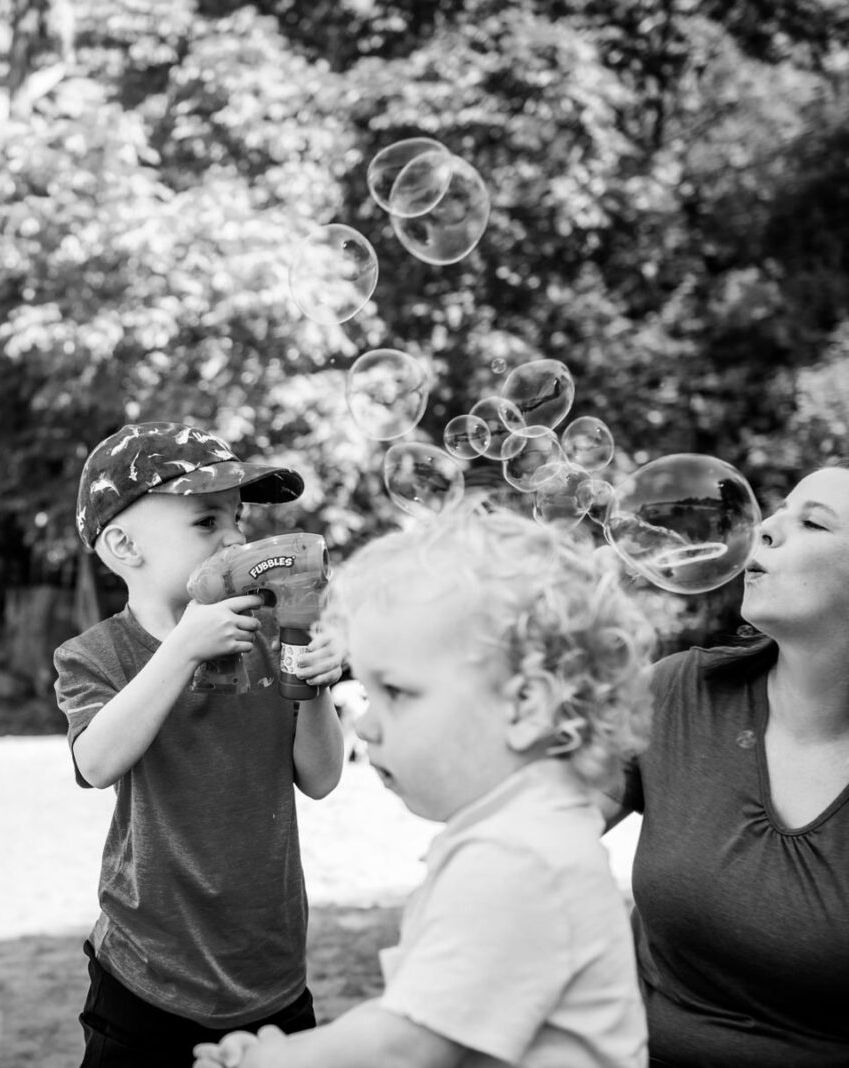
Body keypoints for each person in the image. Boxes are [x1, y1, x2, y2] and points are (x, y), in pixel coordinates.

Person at [194, 502, 654, 1068]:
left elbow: (406, 1045)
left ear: (526, 705)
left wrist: (282, 1061)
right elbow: (416, 1016)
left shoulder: (519, 860)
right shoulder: (530, 835)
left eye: (398, 692)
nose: (364, 721)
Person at [53, 421, 349, 1067]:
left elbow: (322, 778)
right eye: (205, 523)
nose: (235, 537)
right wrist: (184, 646)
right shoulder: (94, 655)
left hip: (271, 973)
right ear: (124, 545)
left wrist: (315, 679)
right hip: (146, 979)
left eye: (236, 518)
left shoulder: (271, 635)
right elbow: (96, 762)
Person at [606, 465, 849, 1066]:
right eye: (780, 510)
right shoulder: (679, 692)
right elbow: (534, 817)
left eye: (813, 522)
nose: (765, 528)